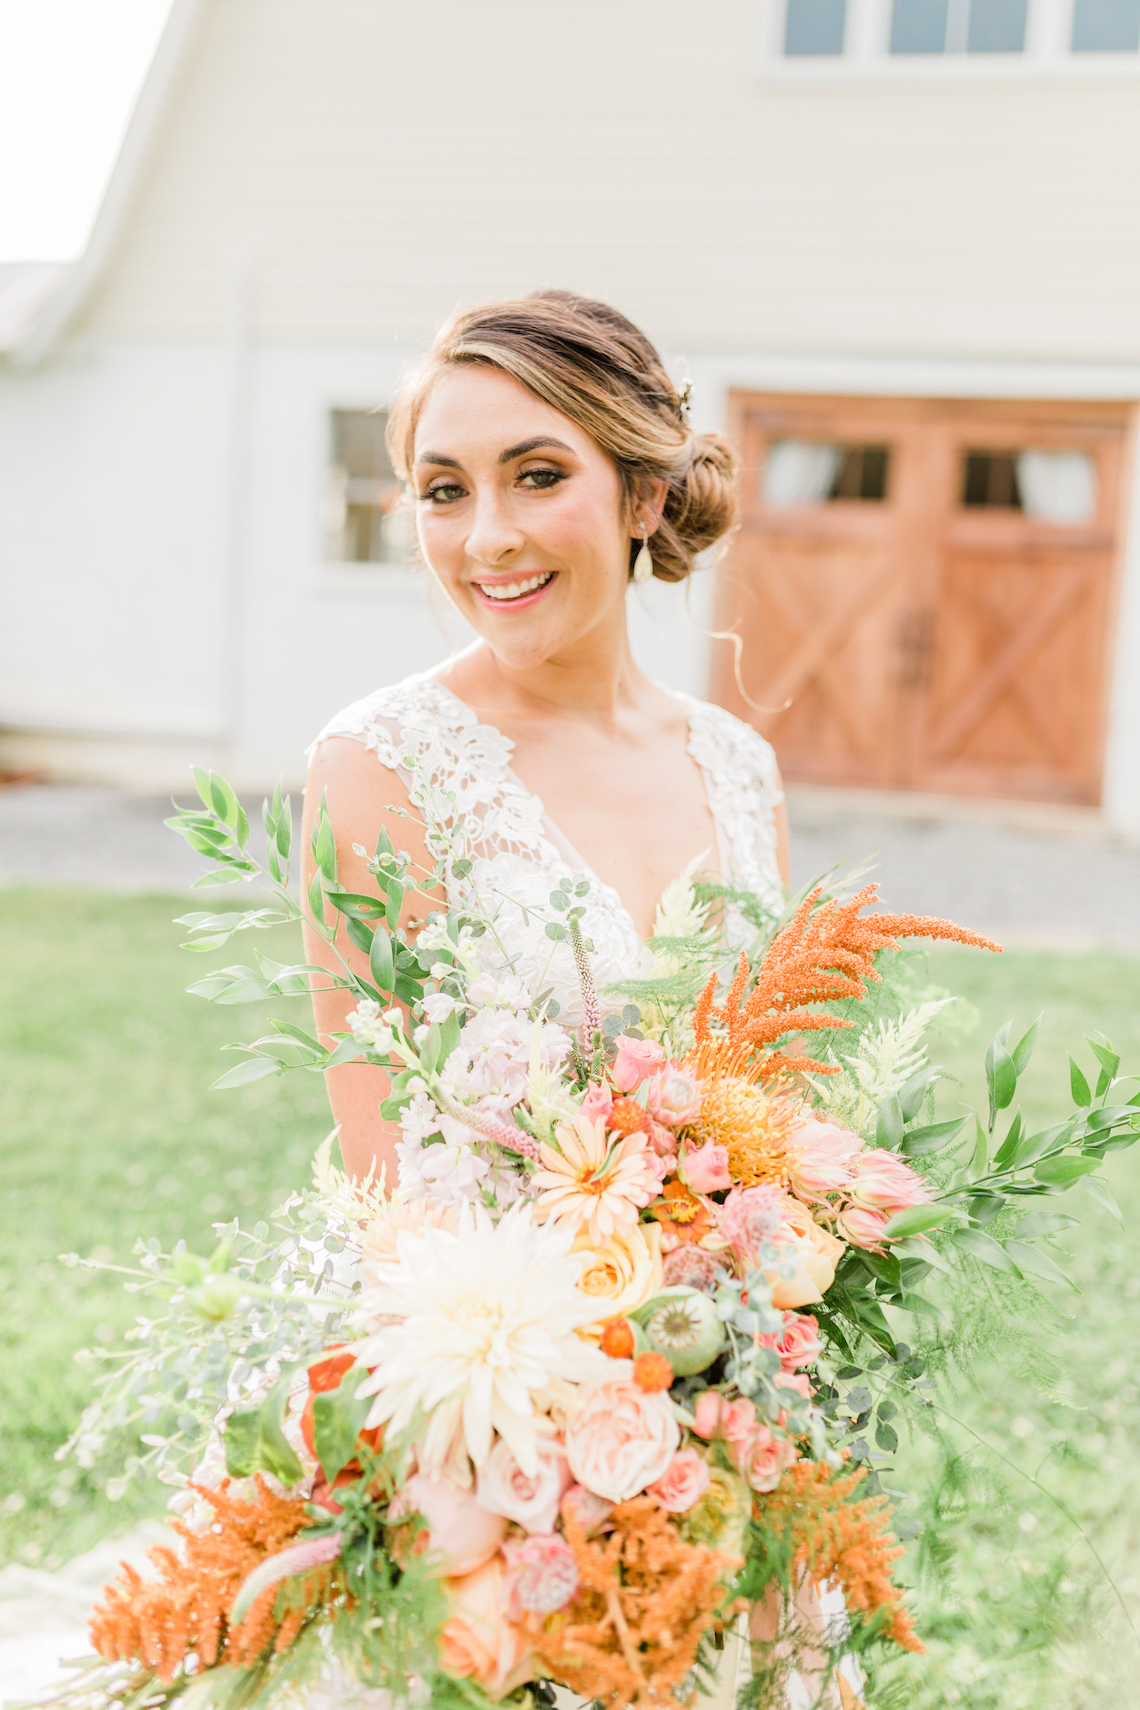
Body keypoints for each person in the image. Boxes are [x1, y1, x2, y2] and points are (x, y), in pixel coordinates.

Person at [302, 288, 789, 1184]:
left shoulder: (740, 768)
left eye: (537, 476)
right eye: (446, 491)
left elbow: (782, 1102)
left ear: (644, 497)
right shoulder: (381, 766)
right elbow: (388, 1179)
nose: (487, 539)